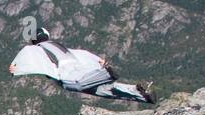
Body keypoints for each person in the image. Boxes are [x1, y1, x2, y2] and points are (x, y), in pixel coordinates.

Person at [9, 28, 154, 103]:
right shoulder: (59, 46)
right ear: (47, 36)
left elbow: (25, 54)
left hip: (68, 76)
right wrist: (98, 61)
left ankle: (106, 75)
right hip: (80, 68)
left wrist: (16, 68)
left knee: (78, 84)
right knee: (108, 91)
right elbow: (80, 53)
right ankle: (141, 95)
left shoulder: (35, 49)